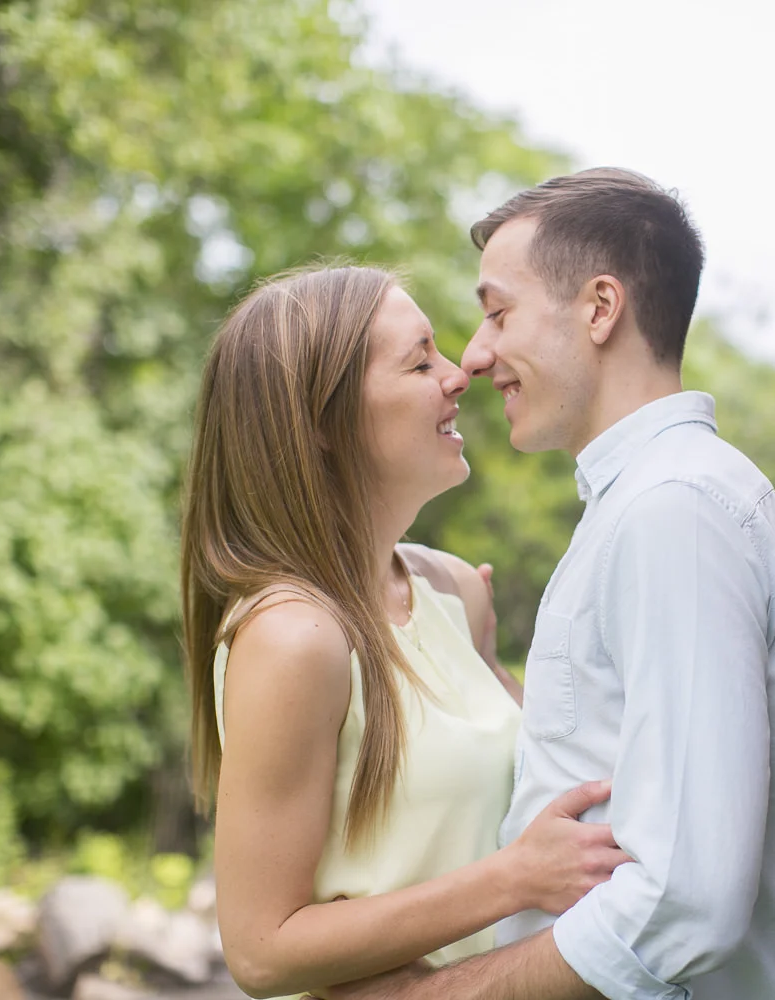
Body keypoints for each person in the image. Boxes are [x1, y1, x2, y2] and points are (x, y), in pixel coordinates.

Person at [329, 168, 775, 1000]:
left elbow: (683, 899)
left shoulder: (674, 512)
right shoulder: (647, 505)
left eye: (498, 313)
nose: (474, 356)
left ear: (600, 308)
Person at [178, 263, 631, 1000]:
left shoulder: (455, 593)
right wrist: (513, 880)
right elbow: (262, 952)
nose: (459, 375)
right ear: (320, 422)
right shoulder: (294, 639)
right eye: (421, 363)